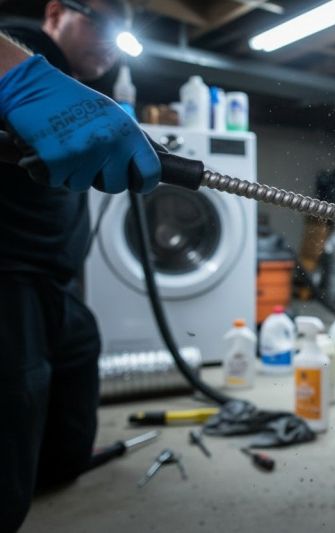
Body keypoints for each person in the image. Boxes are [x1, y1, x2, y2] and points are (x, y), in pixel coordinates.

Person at [0, 1, 160, 530]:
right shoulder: (23, 52)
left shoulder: (73, 90)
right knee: (16, 404)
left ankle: (53, 470)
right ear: (56, 11)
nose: (112, 43)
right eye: (103, 23)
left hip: (53, 279)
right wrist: (18, 77)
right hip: (8, 272)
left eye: (123, 33)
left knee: (78, 352)